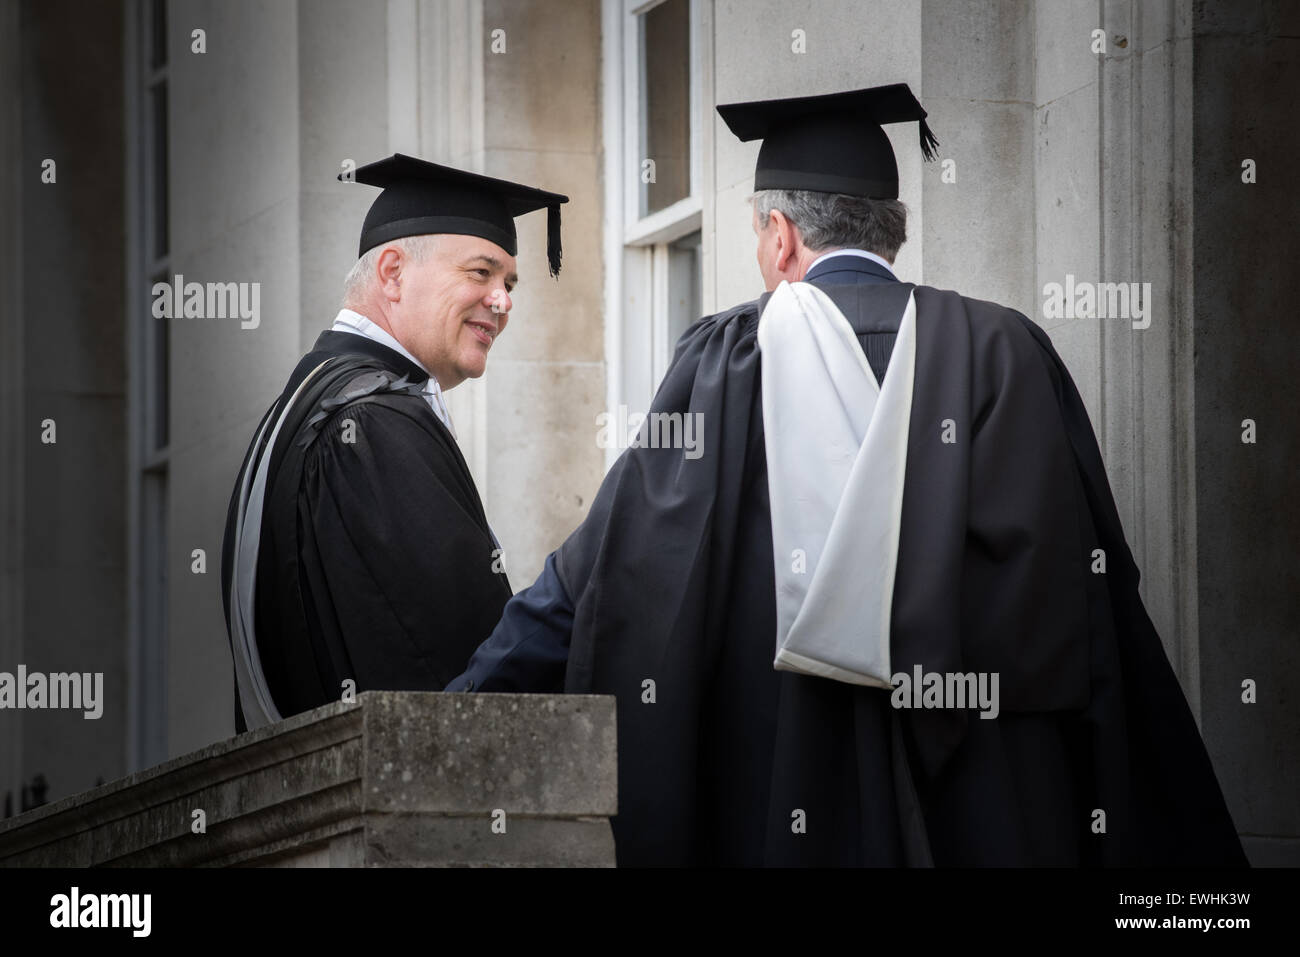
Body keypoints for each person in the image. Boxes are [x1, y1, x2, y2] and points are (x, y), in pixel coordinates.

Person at [447, 84, 1247, 868]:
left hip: (785, 786)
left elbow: (599, 572)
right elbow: (1098, 594)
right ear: (890, 232)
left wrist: (458, 705)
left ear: (782, 236)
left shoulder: (729, 360)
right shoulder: (1007, 351)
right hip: (986, 800)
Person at [220, 154, 567, 733]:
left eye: (508, 283)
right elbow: (459, 666)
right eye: (480, 273)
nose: (503, 301)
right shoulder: (371, 421)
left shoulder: (303, 403)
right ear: (392, 273)